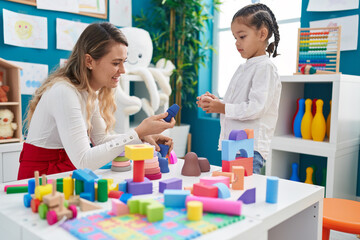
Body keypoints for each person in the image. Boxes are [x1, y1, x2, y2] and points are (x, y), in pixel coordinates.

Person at [18, 22, 175, 180]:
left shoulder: (88, 92)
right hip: (39, 179)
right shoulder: (64, 92)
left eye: (123, 62)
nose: (123, 70)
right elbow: (84, 160)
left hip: (62, 174)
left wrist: (141, 136)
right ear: (89, 61)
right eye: (115, 63)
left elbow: (101, 140)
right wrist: (138, 132)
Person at [197, 3, 281, 174]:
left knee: (242, 189)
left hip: (249, 148)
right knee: (235, 188)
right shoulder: (245, 67)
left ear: (262, 34)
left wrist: (222, 107)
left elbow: (256, 108)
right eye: (235, 38)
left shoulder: (265, 68)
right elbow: (237, 104)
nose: (237, 43)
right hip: (235, 145)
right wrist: (217, 102)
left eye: (242, 36)